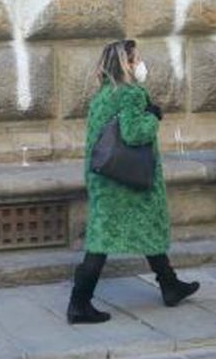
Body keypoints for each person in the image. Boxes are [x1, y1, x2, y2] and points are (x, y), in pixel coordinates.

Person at [67, 39, 200, 324]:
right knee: (102, 242)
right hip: (126, 182)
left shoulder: (104, 94)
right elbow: (133, 133)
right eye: (136, 59)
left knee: (138, 230)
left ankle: (170, 285)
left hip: (106, 178)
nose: (140, 64)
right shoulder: (130, 93)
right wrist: (152, 117)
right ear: (126, 64)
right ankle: (79, 303)